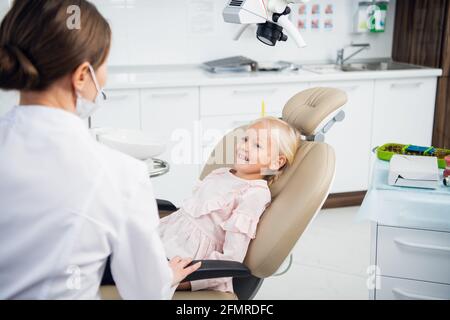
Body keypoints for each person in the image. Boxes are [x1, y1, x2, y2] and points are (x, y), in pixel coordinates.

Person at [0, 0, 199, 300]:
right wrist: (166, 277)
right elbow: (146, 294)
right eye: (104, 63)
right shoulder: (122, 174)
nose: (104, 77)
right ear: (81, 76)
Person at [159, 117, 301, 292]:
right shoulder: (221, 173)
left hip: (189, 261)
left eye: (257, 145)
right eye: (246, 139)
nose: (244, 146)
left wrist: (183, 282)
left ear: (276, 162)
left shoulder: (254, 194)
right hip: (168, 238)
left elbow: (232, 256)